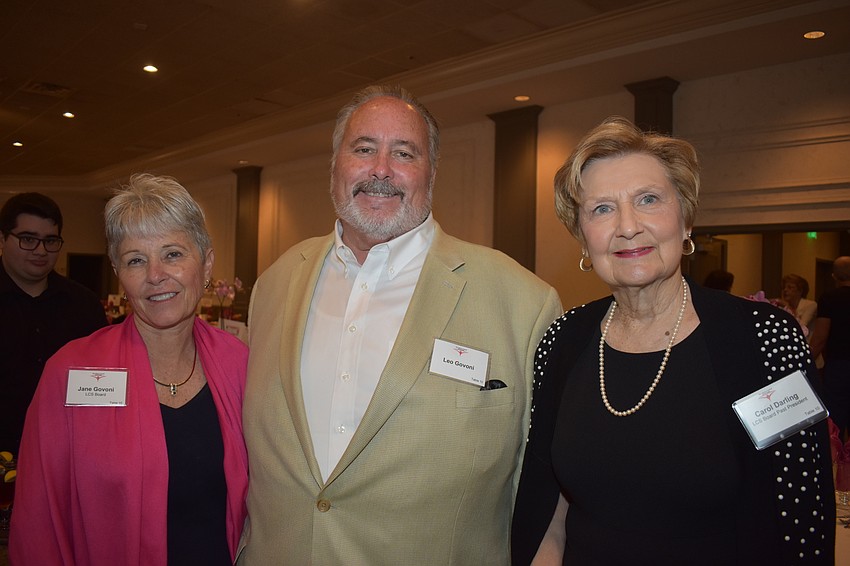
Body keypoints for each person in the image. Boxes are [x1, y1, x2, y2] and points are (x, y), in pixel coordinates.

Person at [238, 85, 561, 565]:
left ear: (431, 173)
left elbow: (546, 486)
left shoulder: (523, 301)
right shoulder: (275, 283)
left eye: (404, 153)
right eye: (363, 148)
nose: (380, 170)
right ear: (334, 167)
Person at [511, 117, 834, 565]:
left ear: (685, 222)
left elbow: (801, 515)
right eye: (601, 209)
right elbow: (550, 504)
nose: (627, 226)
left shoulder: (764, 337)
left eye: (648, 200)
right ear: (583, 238)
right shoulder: (562, 340)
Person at [10, 174, 249, 565]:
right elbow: (39, 520)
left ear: (206, 265)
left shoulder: (240, 364)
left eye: (173, 254)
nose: (155, 275)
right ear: (119, 275)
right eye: (136, 260)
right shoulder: (70, 372)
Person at [0, 192, 107, 454]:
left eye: (50, 241)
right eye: (28, 239)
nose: (41, 250)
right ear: (2, 239)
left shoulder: (85, 304)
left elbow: (103, 379)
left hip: (66, 450)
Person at [810, 256, 850, 437]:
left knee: (837, 419)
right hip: (839, 365)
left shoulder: (829, 298)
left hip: (839, 365)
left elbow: (820, 337)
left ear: (834, 275)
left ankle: (838, 462)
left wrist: (806, 361)